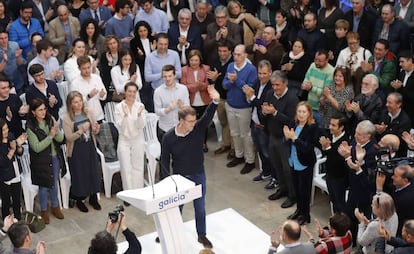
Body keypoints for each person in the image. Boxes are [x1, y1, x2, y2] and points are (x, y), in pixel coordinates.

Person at [160, 85, 220, 249]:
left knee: (200, 207)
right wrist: (166, 183)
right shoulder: (169, 137)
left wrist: (215, 100)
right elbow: (164, 161)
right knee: (175, 209)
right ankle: (169, 232)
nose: (194, 124)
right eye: (190, 122)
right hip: (179, 178)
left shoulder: (198, 129)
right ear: (181, 120)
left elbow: (208, 115)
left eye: (194, 121)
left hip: (198, 174)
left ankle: (202, 235)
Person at [26, 98, 65, 224]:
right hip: (40, 161)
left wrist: (57, 131)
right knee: (43, 186)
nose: (43, 112)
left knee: (54, 183)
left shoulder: (50, 119)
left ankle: (55, 206)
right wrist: (50, 137)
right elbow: (36, 147)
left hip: (54, 157)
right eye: (40, 110)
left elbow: (60, 139)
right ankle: (43, 210)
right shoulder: (30, 127)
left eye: (44, 109)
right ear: (33, 112)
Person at [62, 91, 101, 213]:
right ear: (70, 104)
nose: (78, 104)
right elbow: (68, 137)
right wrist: (81, 130)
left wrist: (95, 129)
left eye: (80, 101)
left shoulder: (88, 112)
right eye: (75, 102)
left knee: (93, 171)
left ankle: (93, 198)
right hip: (76, 150)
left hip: (89, 146)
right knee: (79, 174)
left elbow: (95, 130)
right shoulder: (66, 118)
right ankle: (80, 199)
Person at [264, 71, 299, 208]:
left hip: (285, 140)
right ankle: (282, 189)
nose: (275, 88)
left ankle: (292, 195)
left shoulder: (292, 99)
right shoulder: (269, 94)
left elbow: (292, 122)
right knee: (276, 165)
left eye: (278, 85)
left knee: (287, 169)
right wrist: (265, 111)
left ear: (285, 84)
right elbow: (265, 112)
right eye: (273, 85)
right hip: (272, 135)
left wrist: (275, 113)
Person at [223, 44, 257, 174]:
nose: (236, 57)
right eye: (235, 54)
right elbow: (224, 84)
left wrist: (236, 81)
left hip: (244, 107)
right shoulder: (231, 66)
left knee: (246, 135)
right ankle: (239, 155)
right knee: (234, 133)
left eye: (238, 54)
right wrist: (230, 82)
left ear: (245, 55)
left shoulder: (251, 69)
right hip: (230, 104)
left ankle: (250, 160)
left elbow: (249, 89)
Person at [284, 101, 318, 225]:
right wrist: (287, 137)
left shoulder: (312, 127)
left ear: (309, 113)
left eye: (304, 112)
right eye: (299, 111)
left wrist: (294, 139)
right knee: (297, 189)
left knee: (305, 191)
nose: (301, 114)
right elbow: (288, 143)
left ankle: (305, 214)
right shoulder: (294, 123)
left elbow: (307, 148)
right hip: (293, 161)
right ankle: (299, 210)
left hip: (305, 163)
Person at [242, 60, 274, 184]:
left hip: (265, 126)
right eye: (260, 73)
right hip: (255, 123)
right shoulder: (257, 82)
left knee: (268, 154)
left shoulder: (272, 87)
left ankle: (274, 177)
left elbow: (263, 105)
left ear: (270, 73)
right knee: (261, 152)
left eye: (264, 73)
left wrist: (252, 97)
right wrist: (249, 97)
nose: (261, 76)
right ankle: (265, 173)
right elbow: (253, 101)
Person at [114, 82, 146, 191]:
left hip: (138, 139)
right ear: (125, 92)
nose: (131, 94)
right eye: (129, 91)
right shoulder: (119, 107)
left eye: (134, 92)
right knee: (125, 167)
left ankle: (138, 191)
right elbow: (120, 127)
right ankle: (128, 193)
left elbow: (141, 126)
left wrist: (139, 116)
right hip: (124, 140)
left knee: (138, 166)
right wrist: (126, 115)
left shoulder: (140, 106)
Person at [181, 49, 211, 152]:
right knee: (190, 123)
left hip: (204, 101)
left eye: (196, 60)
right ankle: (191, 143)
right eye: (192, 60)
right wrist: (196, 86)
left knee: (204, 124)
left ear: (200, 60)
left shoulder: (206, 69)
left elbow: (207, 85)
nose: (193, 62)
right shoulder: (184, 70)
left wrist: (200, 85)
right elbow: (184, 86)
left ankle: (203, 142)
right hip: (191, 101)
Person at [207, 41, 234, 158]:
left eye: (224, 51)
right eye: (220, 51)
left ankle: (234, 148)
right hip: (220, 98)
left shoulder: (233, 64)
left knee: (233, 124)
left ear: (230, 51)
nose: (222, 53)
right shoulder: (214, 62)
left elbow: (229, 81)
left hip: (231, 99)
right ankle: (226, 144)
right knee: (223, 123)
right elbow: (210, 79)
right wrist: (213, 79)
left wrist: (218, 78)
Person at [319, 115, 349, 213]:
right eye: (330, 124)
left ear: (341, 127)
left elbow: (338, 160)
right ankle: (335, 222)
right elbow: (326, 153)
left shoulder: (345, 141)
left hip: (339, 177)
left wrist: (328, 148)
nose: (330, 127)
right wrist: (324, 148)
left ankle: (341, 224)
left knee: (339, 203)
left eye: (333, 125)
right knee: (332, 200)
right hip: (329, 174)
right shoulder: (329, 135)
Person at [153, 64, 189, 143]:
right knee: (165, 154)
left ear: (175, 75)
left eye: (170, 76)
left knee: (181, 154)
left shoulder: (183, 89)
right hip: (164, 129)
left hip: (180, 127)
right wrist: (168, 109)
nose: (167, 79)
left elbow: (188, 108)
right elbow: (157, 111)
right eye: (165, 76)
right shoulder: (158, 91)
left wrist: (181, 106)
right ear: (162, 77)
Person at [377, 164, 414, 236]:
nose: (392, 177)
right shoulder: (402, 185)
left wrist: (379, 189)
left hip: (400, 232)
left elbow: (384, 210)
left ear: (405, 180)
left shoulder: (405, 199)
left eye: (395, 176)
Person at [301, 49, 335, 127]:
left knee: (318, 132)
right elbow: (306, 79)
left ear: (326, 60)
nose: (317, 62)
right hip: (309, 106)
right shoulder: (312, 65)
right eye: (316, 59)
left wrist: (311, 88)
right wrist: (304, 85)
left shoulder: (331, 71)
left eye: (320, 61)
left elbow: (326, 92)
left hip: (321, 110)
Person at [0, 119, 26, 220]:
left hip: (16, 172)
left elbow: (19, 153)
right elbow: (3, 163)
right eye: (3, 130)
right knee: (6, 201)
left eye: (6, 128)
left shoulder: (10, 136)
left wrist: (19, 146)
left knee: (17, 199)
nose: (6, 131)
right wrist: (12, 149)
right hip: (5, 176)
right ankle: (7, 222)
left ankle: (18, 219)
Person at [70, 55, 107, 123]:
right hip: (84, 118)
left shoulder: (97, 78)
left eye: (88, 67)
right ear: (79, 68)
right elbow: (74, 103)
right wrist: (88, 96)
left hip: (98, 116)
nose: (87, 70)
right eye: (84, 68)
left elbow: (104, 96)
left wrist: (102, 95)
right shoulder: (75, 83)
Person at [130, 20, 156, 111]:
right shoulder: (134, 42)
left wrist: (153, 51)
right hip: (142, 69)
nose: (143, 33)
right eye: (140, 31)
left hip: (154, 69)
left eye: (144, 30)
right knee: (145, 92)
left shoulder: (153, 40)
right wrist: (140, 56)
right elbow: (134, 59)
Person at [319, 66, 355, 130]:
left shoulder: (349, 90)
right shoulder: (332, 84)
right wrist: (324, 97)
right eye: (336, 76)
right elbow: (321, 103)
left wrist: (329, 96)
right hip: (325, 120)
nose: (337, 78)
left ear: (346, 77)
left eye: (340, 76)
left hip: (337, 125)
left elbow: (341, 107)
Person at [0, 74, 27, 138]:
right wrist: (8, 118)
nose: (7, 90)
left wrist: (22, 114)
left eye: (8, 87)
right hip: (3, 139)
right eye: (3, 88)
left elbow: (23, 117)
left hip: (19, 135)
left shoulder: (15, 98)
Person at [391, 50, 414, 124]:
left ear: (410, 60)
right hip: (402, 108)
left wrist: (400, 88)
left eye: (402, 62)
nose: (400, 64)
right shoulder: (402, 73)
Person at [0, 28, 26, 95]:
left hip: (17, 78)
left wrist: (18, 57)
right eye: (1, 38)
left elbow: (20, 64)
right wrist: (4, 60)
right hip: (5, 82)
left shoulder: (15, 45)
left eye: (6, 38)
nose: (4, 40)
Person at [98, 35, 122, 102]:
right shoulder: (104, 55)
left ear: (117, 43)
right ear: (107, 45)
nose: (113, 45)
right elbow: (105, 72)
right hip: (109, 83)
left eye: (114, 43)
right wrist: (110, 63)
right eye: (110, 44)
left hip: (121, 81)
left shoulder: (122, 54)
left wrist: (113, 65)